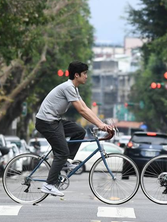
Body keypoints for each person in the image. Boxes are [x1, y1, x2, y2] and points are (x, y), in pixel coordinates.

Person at [35, 61, 114, 197]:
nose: (86, 77)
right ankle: (48, 184)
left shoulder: (74, 88)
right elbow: (81, 111)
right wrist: (100, 125)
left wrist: (102, 124)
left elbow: (86, 108)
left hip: (55, 121)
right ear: (76, 75)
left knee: (79, 131)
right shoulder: (68, 87)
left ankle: (65, 161)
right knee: (62, 152)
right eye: (84, 74)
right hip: (46, 122)